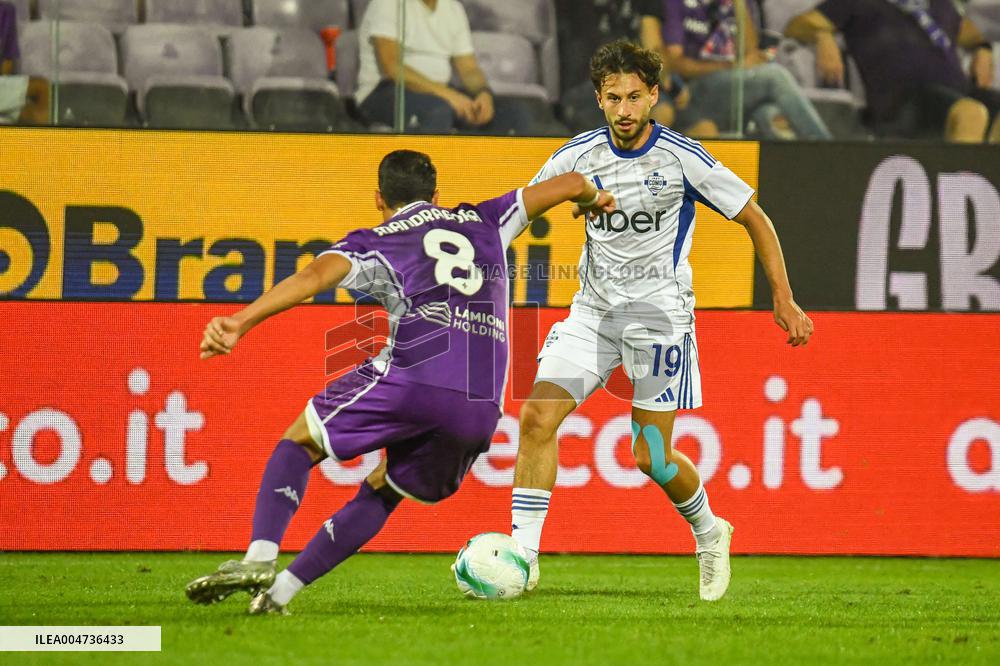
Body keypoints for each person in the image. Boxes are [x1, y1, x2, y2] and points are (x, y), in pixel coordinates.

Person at [184, 150, 615, 614]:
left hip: (415, 378)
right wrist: (595, 198)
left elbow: (312, 277)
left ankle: (260, 557)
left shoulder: (377, 238)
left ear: (378, 197)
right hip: (480, 407)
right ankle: (278, 596)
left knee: (300, 442)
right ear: (436, 195)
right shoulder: (488, 219)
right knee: (384, 488)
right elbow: (571, 181)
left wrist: (240, 322)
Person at [509, 39, 813, 602]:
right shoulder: (576, 155)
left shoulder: (682, 157)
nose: (624, 110)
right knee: (535, 418)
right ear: (599, 101)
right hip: (594, 313)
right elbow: (524, 207)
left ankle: (708, 530)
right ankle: (522, 559)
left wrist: (783, 298)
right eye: (612, 98)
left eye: (633, 97)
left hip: (658, 320)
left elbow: (755, 217)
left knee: (649, 455)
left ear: (653, 96)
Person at [785, 0, 1000, 143]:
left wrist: (983, 48)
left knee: (984, 112)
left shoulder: (937, 3)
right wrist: (823, 36)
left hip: (955, 93)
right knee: (970, 114)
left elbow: (968, 33)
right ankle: (957, 203)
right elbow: (798, 24)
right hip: (901, 100)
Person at [355, 0, 535, 135]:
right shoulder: (388, 3)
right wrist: (449, 96)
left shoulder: (453, 8)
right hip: (384, 92)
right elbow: (392, 66)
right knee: (437, 111)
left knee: (513, 114)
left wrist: (484, 94)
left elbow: (469, 69)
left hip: (440, 93)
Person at [662, 0, 831, 139]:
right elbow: (675, 63)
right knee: (775, 76)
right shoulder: (677, 2)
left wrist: (739, 3)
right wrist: (734, 66)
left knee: (768, 115)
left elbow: (750, 52)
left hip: (735, 90)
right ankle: (827, 151)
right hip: (692, 93)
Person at [555, 0, 717, 137]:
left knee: (705, 130)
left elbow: (653, 46)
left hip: (641, 82)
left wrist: (669, 80)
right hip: (587, 86)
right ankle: (635, 170)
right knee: (661, 112)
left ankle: (657, 169)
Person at [0, 1, 48, 125]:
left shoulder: (6, 11)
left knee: (41, 88)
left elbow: (8, 57)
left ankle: (46, 141)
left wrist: (5, 85)